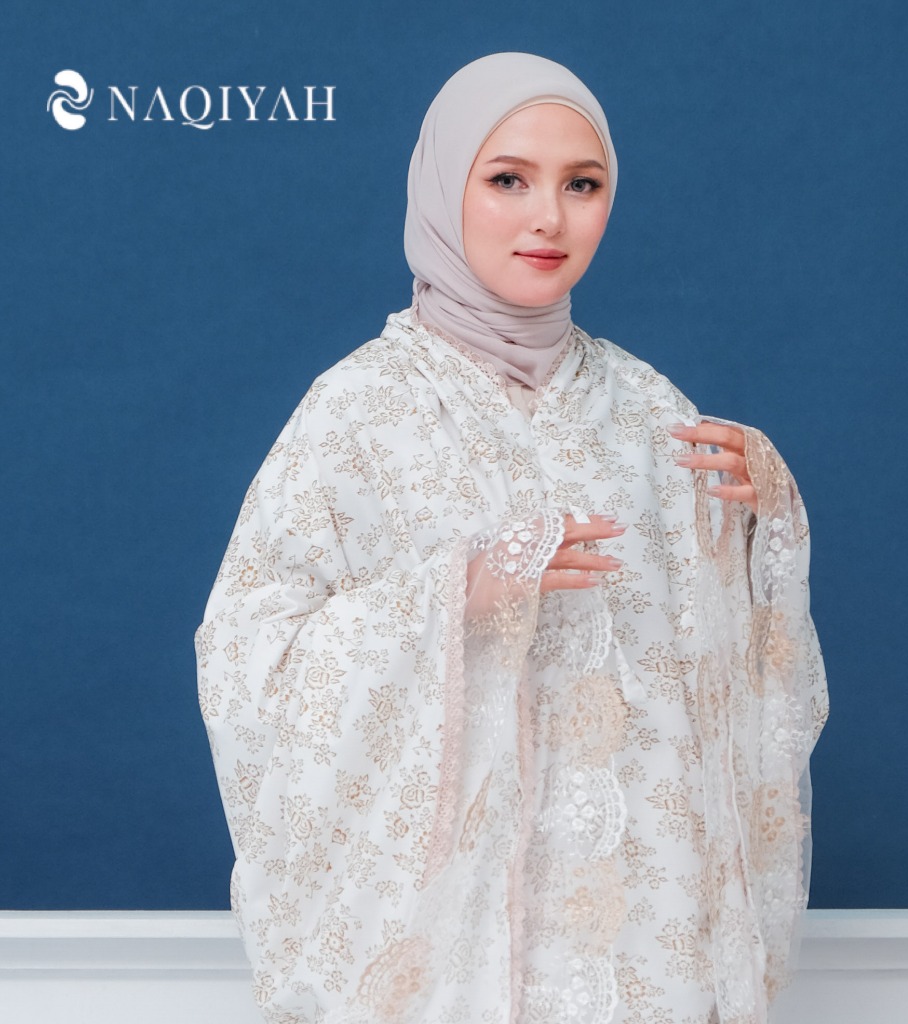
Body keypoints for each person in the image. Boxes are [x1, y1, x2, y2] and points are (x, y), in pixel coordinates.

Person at [197, 52, 827, 1024]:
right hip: (465, 954)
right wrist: (457, 597)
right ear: (443, 188)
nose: (549, 219)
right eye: (507, 180)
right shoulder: (360, 412)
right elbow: (248, 653)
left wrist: (757, 531)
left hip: (639, 937)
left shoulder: (647, 407)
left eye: (582, 185)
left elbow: (703, 677)